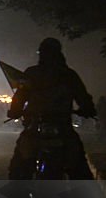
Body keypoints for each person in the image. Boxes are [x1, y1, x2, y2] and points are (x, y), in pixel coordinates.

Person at [7, 37, 97, 179]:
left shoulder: (33, 73)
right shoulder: (68, 75)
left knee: (19, 167)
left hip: (44, 124)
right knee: (79, 169)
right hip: (54, 125)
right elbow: (83, 98)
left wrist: (15, 111)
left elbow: (19, 97)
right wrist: (88, 109)